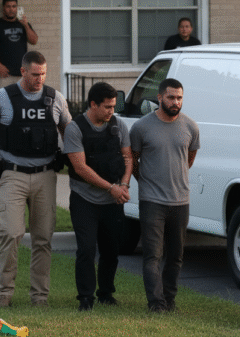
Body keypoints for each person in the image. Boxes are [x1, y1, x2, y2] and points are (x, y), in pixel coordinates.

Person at [0, 51, 71, 308]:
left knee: (43, 238)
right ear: (23, 71)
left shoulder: (55, 98)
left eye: (43, 74)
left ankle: (39, 298)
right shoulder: (3, 97)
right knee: (11, 233)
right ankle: (4, 295)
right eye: (35, 74)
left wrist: (79, 167)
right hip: (13, 174)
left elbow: (71, 134)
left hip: (46, 175)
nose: (40, 79)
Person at [130, 78, 200, 312]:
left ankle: (169, 300)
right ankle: (156, 303)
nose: (175, 102)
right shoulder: (141, 127)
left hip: (181, 200)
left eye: (179, 97)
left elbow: (188, 160)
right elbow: (134, 161)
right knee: (152, 255)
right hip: (152, 201)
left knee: (176, 256)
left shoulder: (190, 126)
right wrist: (148, 181)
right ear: (159, 98)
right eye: (171, 97)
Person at [64, 82, 133, 311]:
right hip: (85, 200)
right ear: (93, 104)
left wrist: (123, 184)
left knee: (111, 250)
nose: (111, 111)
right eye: (106, 107)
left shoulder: (118, 126)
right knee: (86, 249)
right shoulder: (75, 128)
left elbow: (128, 158)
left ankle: (106, 293)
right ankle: (85, 297)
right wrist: (111, 188)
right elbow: (81, 168)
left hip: (112, 201)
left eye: (113, 106)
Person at [0, 0, 38, 93]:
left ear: (17, 8)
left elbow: (34, 41)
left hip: (21, 74)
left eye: (14, 6)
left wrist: (26, 25)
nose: (11, 9)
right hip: (3, 75)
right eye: (8, 6)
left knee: (21, 104)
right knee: (1, 105)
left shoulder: (23, 24)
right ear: (3, 8)